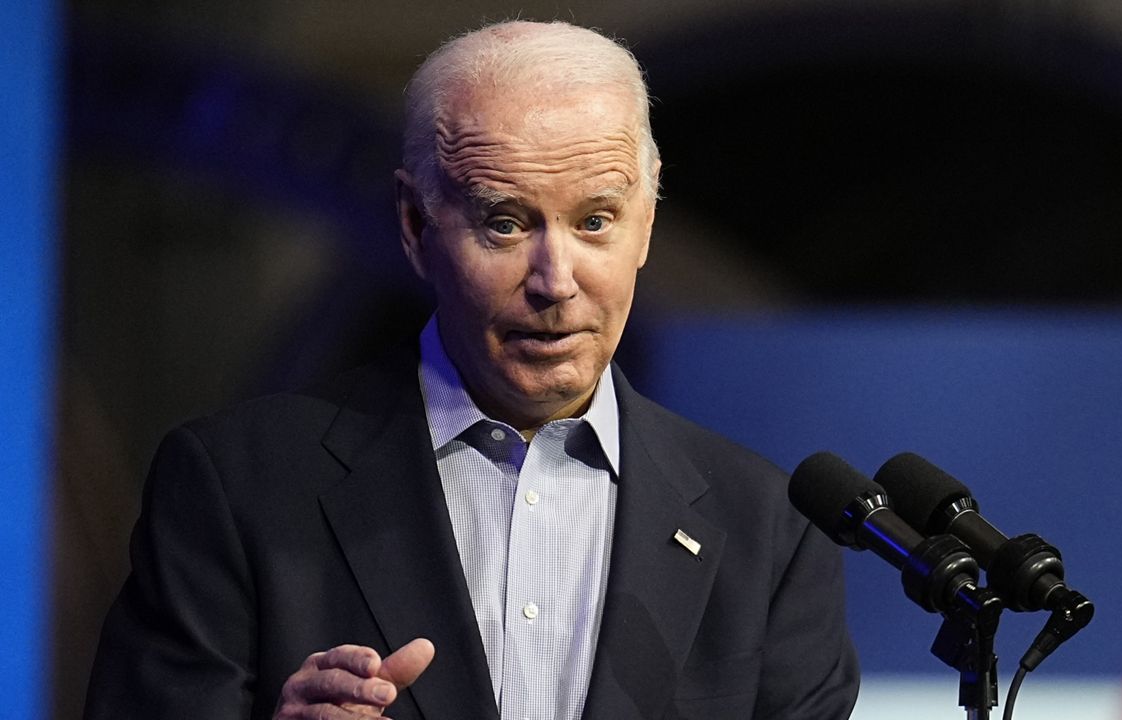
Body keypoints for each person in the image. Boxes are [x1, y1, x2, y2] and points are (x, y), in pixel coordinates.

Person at [84, 20, 858, 720]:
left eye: (595, 221)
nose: (556, 278)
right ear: (416, 227)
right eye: (505, 222)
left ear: (645, 226)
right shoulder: (235, 488)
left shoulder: (769, 533)